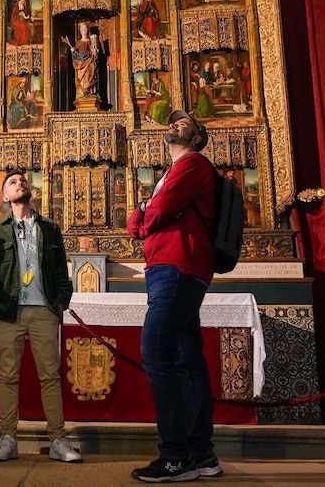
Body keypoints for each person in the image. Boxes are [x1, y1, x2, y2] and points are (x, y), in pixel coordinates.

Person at [127, 110, 222, 483]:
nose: (174, 125)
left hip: (177, 266)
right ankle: (201, 454)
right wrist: (147, 213)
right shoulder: (168, 175)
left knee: (155, 352)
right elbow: (136, 224)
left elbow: (155, 214)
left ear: (198, 137)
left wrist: (147, 212)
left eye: (184, 123)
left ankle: (175, 456)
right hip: (170, 267)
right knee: (186, 360)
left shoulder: (193, 164)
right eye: (171, 122)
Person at [0, 169, 81, 464]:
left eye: (23, 180)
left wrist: (61, 302)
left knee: (50, 375)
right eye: (13, 182)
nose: (20, 182)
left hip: (43, 309)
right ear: (6, 196)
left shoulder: (49, 228)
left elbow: (62, 271)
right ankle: (8, 438)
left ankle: (58, 440)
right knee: (8, 375)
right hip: (9, 310)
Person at [62, 22, 99, 100]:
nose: (84, 30)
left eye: (85, 28)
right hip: (80, 65)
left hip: (89, 63)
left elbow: (94, 53)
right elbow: (75, 56)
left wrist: (94, 53)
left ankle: (90, 92)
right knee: (80, 79)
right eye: (82, 29)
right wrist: (73, 52)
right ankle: (82, 93)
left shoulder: (90, 42)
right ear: (80, 31)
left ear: (87, 30)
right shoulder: (78, 43)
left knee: (90, 76)